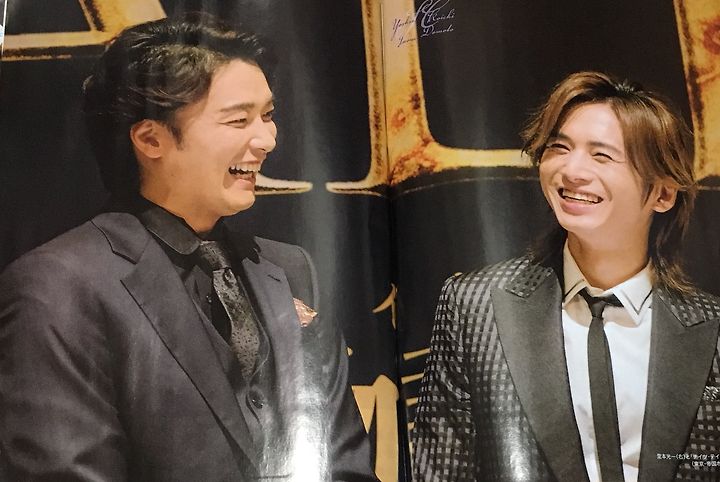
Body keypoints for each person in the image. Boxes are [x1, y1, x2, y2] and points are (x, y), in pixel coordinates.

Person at [0, 14, 376, 481]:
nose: (267, 139)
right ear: (150, 138)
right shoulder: (57, 287)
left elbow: (343, 462)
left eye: (268, 115)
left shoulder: (290, 267)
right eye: (238, 119)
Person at [412, 71, 720, 481]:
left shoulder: (711, 328)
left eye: (602, 156)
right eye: (559, 147)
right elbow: (441, 470)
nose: (571, 170)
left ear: (662, 193)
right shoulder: (476, 307)